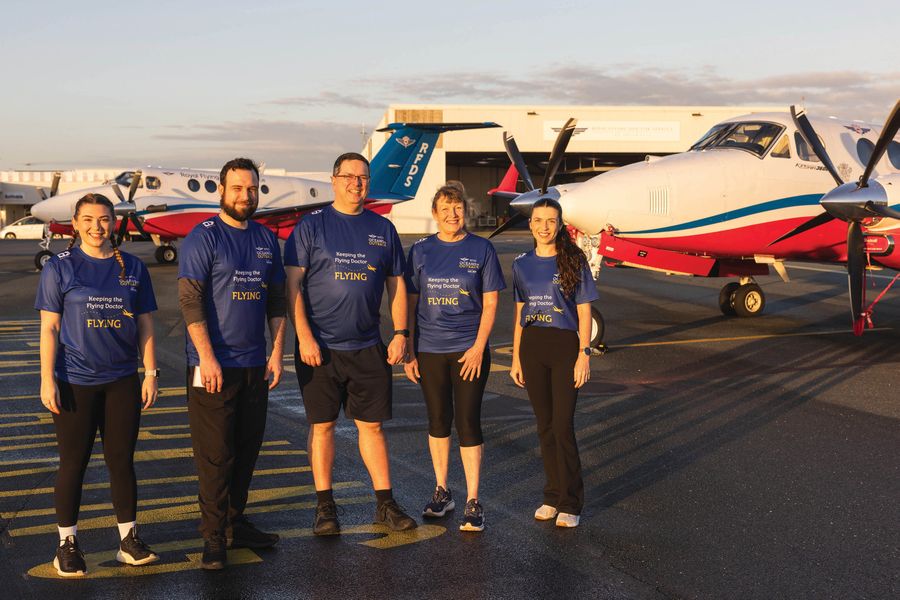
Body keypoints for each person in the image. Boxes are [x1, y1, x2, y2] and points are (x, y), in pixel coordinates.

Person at [285, 152, 416, 536]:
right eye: (348, 176)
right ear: (334, 180)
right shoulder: (311, 226)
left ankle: (385, 504)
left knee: (371, 427)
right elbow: (292, 285)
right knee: (322, 426)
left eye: (362, 177)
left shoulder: (383, 228)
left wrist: (401, 333)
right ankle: (325, 508)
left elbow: (397, 285)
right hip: (320, 347)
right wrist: (304, 336)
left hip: (367, 345)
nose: (356, 183)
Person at [35, 193, 160, 577]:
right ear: (75, 223)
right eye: (88, 219)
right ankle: (67, 544)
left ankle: (128, 539)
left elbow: (145, 325)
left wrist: (151, 372)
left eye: (104, 219)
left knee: (122, 462)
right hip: (75, 381)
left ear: (114, 223)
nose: (96, 226)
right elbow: (50, 327)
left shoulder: (134, 267)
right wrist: (46, 380)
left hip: (121, 381)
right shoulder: (60, 267)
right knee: (74, 463)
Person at [178, 158, 287, 570]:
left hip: (254, 364)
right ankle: (213, 538)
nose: (246, 196)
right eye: (238, 188)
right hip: (213, 366)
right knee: (215, 455)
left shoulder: (264, 238)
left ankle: (234, 523)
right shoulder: (203, 237)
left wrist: (276, 352)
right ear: (221, 191)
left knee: (246, 450)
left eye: (252, 189)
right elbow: (190, 299)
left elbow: (276, 300)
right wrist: (206, 357)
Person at [403, 182, 505, 532]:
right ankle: (442, 491)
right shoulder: (419, 251)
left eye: (458, 207)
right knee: (437, 421)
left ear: (466, 211)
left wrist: (477, 348)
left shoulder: (481, 249)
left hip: (468, 350)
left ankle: (473, 500)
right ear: (435, 213)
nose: (452, 214)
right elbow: (411, 303)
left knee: (467, 423)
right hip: (430, 350)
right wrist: (410, 351)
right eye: (445, 208)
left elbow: (491, 302)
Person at [509, 198, 598, 528]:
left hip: (564, 346)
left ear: (560, 225)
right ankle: (551, 495)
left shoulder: (573, 259)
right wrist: (517, 356)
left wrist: (583, 354)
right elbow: (520, 312)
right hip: (533, 346)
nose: (544, 226)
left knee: (562, 426)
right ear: (530, 224)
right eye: (538, 220)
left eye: (551, 220)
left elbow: (585, 309)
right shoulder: (521, 264)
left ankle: (571, 501)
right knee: (544, 426)